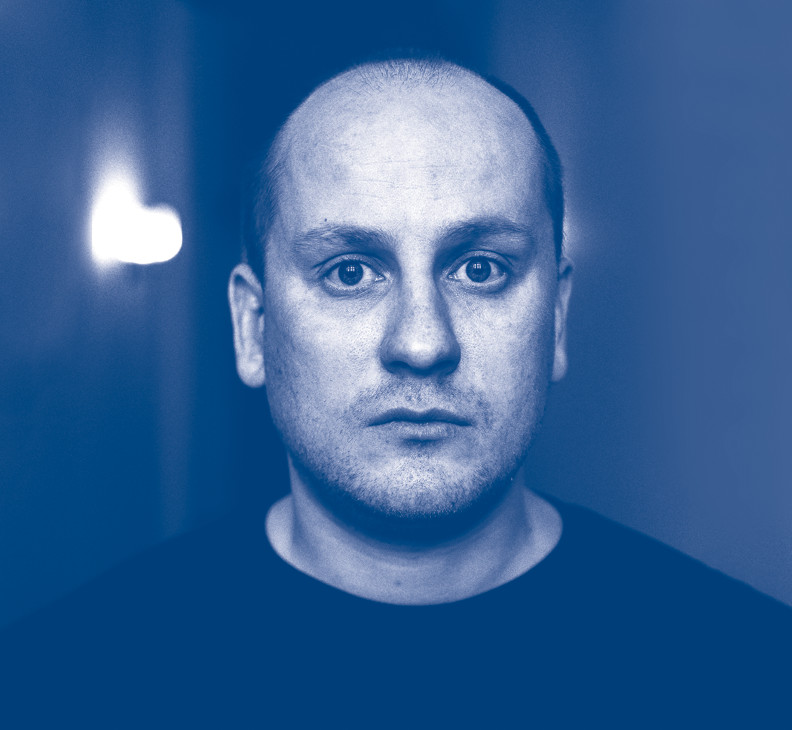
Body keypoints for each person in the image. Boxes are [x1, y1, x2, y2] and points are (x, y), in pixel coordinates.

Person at [2, 56, 790, 728]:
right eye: (350, 272)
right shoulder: (57, 686)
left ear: (555, 319)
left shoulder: (752, 675)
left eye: (480, 269)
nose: (421, 342)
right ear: (253, 328)